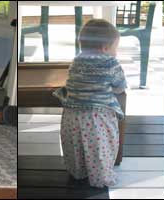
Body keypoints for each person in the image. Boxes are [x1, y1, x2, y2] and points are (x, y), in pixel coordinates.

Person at [53, 19, 127, 188]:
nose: (116, 52)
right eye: (116, 47)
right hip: (96, 117)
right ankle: (100, 178)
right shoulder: (111, 63)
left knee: (76, 145)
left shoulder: (76, 61)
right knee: (99, 147)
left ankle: (78, 172)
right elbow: (119, 87)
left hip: (71, 114)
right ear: (105, 48)